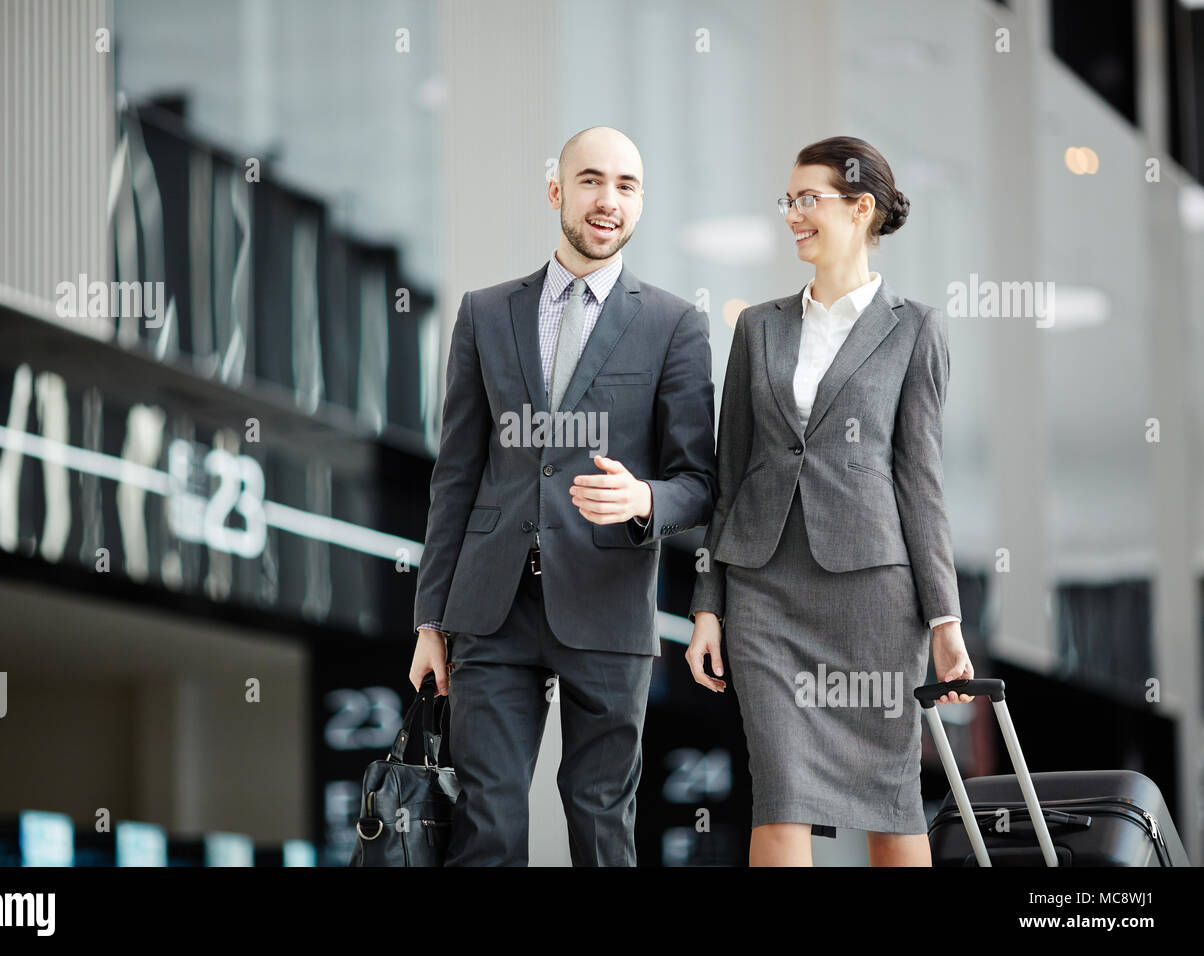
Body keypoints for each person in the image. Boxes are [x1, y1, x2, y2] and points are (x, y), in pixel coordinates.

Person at [410, 125, 717, 866]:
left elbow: (700, 484)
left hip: (609, 605)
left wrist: (644, 497)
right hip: (491, 606)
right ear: (556, 191)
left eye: (626, 185)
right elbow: (456, 472)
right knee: (485, 820)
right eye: (591, 180)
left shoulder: (675, 324)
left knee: (601, 821)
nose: (608, 200)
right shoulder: (486, 314)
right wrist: (430, 618)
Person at [685, 135, 974, 867]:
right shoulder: (758, 325)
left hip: (874, 598)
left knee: (892, 803)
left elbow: (921, 480)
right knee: (780, 795)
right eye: (789, 201)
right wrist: (706, 604)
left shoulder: (915, 329)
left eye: (807, 199)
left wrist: (945, 620)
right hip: (764, 594)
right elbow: (732, 472)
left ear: (860, 208)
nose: (793, 215)